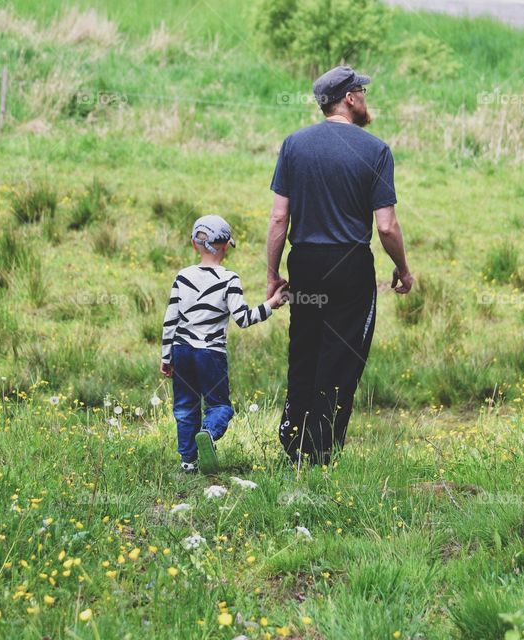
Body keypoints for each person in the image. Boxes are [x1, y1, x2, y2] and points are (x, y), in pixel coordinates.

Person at [266, 66, 414, 465]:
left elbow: (280, 218)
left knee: (305, 349)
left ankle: (293, 440)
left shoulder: (294, 145)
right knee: (342, 356)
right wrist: (402, 267)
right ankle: (322, 450)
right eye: (362, 91)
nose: (366, 98)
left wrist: (272, 273)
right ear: (349, 98)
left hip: (306, 263)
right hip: (350, 265)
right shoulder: (376, 151)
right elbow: (385, 226)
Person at [161, 215, 288, 474]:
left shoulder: (182, 276)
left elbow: (170, 319)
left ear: (194, 244)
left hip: (181, 350)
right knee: (220, 406)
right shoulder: (229, 279)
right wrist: (271, 305)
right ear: (227, 244)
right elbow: (242, 319)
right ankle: (208, 433)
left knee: (185, 406)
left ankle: (188, 461)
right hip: (210, 353)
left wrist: (166, 356)